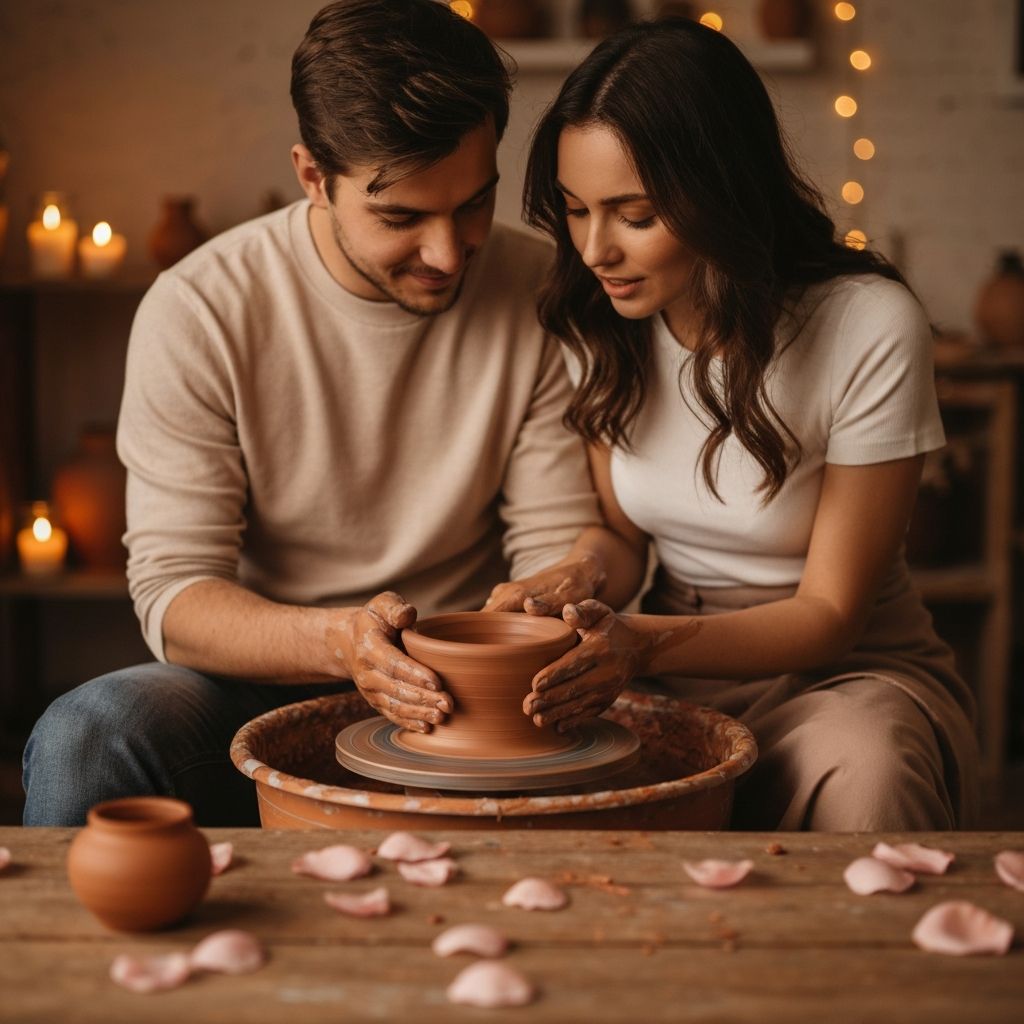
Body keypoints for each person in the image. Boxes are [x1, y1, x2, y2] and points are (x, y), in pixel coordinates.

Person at [22, 0, 639, 827]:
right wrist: (339, 644)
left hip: (475, 686)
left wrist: (550, 602)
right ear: (314, 175)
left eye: (471, 205)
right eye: (401, 217)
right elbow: (175, 595)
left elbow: (553, 539)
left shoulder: (536, 290)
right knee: (91, 730)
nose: (448, 253)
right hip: (266, 672)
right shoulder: (201, 308)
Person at [519, 17, 979, 830]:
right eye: (575, 209)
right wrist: (576, 578)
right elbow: (623, 541)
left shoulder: (866, 324)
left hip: (843, 671)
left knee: (868, 772)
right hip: (657, 663)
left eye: (634, 214)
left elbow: (831, 616)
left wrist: (640, 643)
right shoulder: (599, 320)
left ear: (719, 191)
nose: (594, 249)